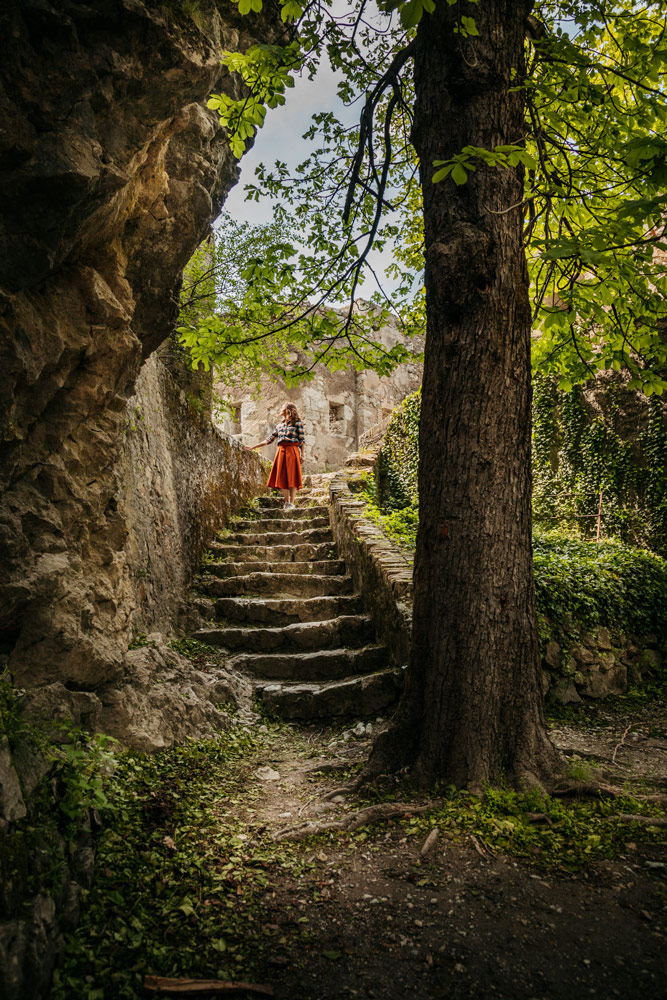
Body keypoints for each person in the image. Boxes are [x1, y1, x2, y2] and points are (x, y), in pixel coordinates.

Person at [247, 402, 305, 510]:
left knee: (292, 476)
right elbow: (269, 440)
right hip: (281, 451)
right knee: (282, 476)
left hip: (292, 450)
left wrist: (302, 455)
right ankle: (286, 502)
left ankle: (292, 503)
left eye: (282, 408)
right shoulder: (279, 426)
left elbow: (302, 440)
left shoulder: (297, 423)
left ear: (287, 410)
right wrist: (253, 447)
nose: (280, 409)